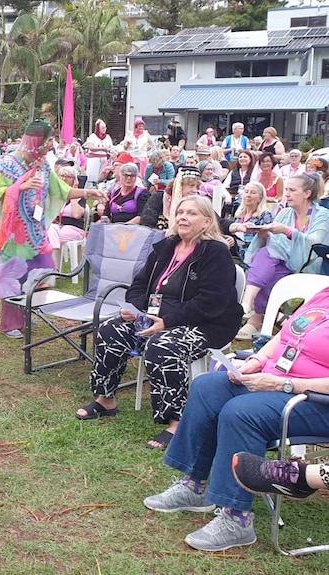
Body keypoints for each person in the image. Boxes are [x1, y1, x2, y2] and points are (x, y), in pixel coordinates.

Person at [143, 286, 329, 552]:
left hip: (315, 400)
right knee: (207, 387)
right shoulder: (324, 292)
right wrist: (257, 359)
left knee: (242, 412)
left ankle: (236, 519)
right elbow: (286, 335)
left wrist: (282, 384)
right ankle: (195, 486)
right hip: (273, 377)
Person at [76, 195, 242, 449]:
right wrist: (133, 308)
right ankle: (105, 399)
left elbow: (211, 302)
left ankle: (177, 421)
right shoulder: (167, 247)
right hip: (155, 316)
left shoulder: (216, 252)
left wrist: (167, 321)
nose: (183, 217)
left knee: (163, 345)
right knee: (111, 329)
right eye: (181, 212)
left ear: (207, 221)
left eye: (192, 213)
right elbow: (139, 285)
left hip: (203, 323)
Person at [0, 120, 105, 338]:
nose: (50, 145)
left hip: (36, 231)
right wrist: (19, 187)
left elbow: (61, 190)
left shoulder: (43, 165)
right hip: (13, 233)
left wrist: (88, 194)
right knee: (14, 275)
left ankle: (28, 313)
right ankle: (11, 323)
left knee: (38, 273)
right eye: (47, 140)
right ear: (35, 141)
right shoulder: (7, 164)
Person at [238, 173, 329, 340]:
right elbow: (273, 244)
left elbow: (315, 242)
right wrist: (263, 234)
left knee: (269, 263)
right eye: (286, 189)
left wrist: (287, 231)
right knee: (267, 255)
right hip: (283, 261)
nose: (286, 194)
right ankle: (250, 306)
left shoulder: (322, 215)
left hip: (310, 265)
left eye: (292, 190)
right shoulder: (285, 212)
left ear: (307, 193)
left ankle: (256, 315)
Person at [47, 165, 87, 266]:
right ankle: (53, 266)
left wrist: (73, 194)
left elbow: (77, 214)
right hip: (58, 228)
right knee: (51, 229)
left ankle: (52, 266)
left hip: (75, 229)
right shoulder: (57, 196)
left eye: (68, 176)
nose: (64, 179)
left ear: (74, 180)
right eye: (61, 176)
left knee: (48, 237)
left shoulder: (80, 196)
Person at [223, 181, 273, 262]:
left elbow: (266, 241)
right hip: (235, 253)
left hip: (253, 255)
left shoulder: (265, 215)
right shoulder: (239, 214)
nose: (248, 195)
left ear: (260, 198)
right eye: (246, 192)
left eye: (253, 193)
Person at [141, 166, 201, 230]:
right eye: (191, 185)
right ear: (180, 185)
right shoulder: (158, 198)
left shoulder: (199, 203)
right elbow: (146, 225)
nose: (195, 190)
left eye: (197, 187)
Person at [85, 119, 113, 185]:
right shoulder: (93, 136)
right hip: (93, 159)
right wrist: (102, 149)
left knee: (102, 176)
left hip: (104, 159)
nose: (104, 129)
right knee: (92, 178)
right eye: (102, 128)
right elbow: (90, 147)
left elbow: (110, 147)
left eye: (105, 127)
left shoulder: (108, 137)